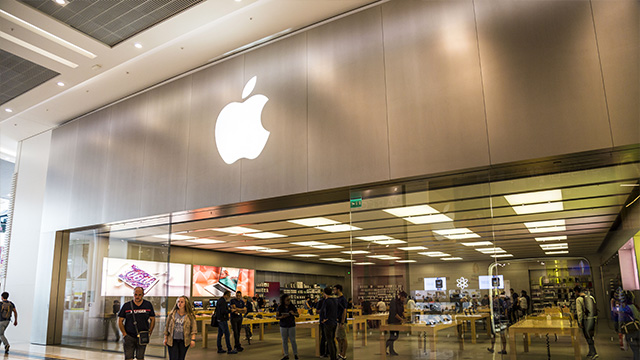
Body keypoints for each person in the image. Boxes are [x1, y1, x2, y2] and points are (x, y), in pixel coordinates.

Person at [118, 287, 156, 360]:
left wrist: (149, 332)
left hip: (143, 336)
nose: (137, 297)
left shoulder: (148, 305)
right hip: (129, 336)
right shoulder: (127, 306)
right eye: (135, 294)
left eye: (139, 295)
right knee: (128, 357)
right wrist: (124, 334)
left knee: (140, 357)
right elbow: (120, 320)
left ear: (143, 295)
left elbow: (152, 319)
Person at [163, 295, 197, 360]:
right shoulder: (172, 314)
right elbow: (166, 326)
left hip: (184, 340)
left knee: (181, 358)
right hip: (172, 340)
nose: (179, 303)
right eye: (178, 302)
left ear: (185, 303)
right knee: (173, 358)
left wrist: (193, 339)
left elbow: (194, 328)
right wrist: (165, 338)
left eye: (182, 302)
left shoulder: (190, 315)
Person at [575, 285, 598, 359]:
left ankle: (594, 352)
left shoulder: (578, 299)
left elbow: (579, 312)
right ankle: (591, 351)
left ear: (577, 291)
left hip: (586, 320)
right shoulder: (591, 297)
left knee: (588, 336)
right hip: (593, 319)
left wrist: (580, 322)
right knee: (591, 335)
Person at [320, 287, 342, 360]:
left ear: (324, 293)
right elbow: (341, 308)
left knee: (329, 341)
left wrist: (323, 319)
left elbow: (322, 311)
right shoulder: (336, 300)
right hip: (334, 322)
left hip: (328, 323)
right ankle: (334, 356)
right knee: (332, 340)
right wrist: (337, 317)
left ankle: (333, 357)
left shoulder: (326, 301)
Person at [276, 294, 299, 360]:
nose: (288, 301)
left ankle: (295, 354)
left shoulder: (292, 306)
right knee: (284, 340)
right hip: (283, 325)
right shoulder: (280, 307)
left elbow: (297, 315)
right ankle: (286, 355)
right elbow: (277, 317)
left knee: (293, 340)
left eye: (289, 300)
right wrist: (282, 317)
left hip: (291, 325)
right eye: (287, 300)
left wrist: (293, 313)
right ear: (283, 300)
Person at [619, 290, 640, 360]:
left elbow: (620, 321)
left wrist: (620, 330)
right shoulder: (635, 307)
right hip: (638, 329)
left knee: (636, 350)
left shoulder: (623, 309)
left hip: (630, 331)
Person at [386, 291, 407, 356]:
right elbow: (394, 313)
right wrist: (402, 320)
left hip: (397, 322)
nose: (403, 299)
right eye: (402, 298)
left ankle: (391, 350)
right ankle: (386, 349)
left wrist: (406, 318)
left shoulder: (401, 303)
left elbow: (402, 311)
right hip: (392, 321)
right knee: (393, 336)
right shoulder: (393, 302)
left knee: (395, 336)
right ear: (400, 296)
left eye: (404, 298)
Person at [334, 284, 348, 360]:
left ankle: (343, 354)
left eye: (335, 289)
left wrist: (342, 322)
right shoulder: (337, 299)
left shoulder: (343, 299)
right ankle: (340, 353)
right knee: (338, 338)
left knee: (343, 338)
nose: (334, 291)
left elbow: (344, 311)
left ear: (338, 289)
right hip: (337, 321)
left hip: (341, 322)